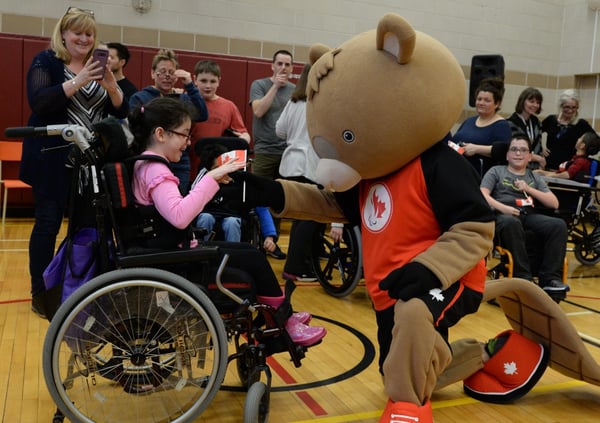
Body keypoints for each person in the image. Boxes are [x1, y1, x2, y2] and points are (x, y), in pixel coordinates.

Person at [128, 96, 326, 346]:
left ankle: (279, 319)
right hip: (174, 257)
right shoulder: (156, 170)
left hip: (171, 250)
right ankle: (283, 324)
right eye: (184, 134)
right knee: (253, 259)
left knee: (249, 251)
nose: (188, 142)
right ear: (161, 134)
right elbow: (179, 217)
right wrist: (212, 178)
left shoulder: (146, 164)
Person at [20, 7, 128, 319]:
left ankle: (73, 287)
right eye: (77, 32)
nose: (83, 38)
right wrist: (79, 80)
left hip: (88, 163)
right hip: (51, 161)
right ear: (64, 34)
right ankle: (40, 293)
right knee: (48, 225)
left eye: (89, 33)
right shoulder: (47, 62)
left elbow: (122, 112)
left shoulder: (99, 66)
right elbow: (40, 102)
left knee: (84, 229)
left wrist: (111, 86)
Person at [480, 135, 570, 294]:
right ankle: (523, 277)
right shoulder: (496, 171)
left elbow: (554, 203)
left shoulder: (533, 176)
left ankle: (550, 279)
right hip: (503, 215)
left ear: (529, 156)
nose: (518, 154)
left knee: (558, 225)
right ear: (507, 155)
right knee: (511, 222)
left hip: (527, 214)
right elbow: (482, 195)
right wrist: (503, 208)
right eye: (514, 149)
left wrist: (528, 189)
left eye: (523, 150)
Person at [129, 48, 208, 195]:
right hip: (150, 159)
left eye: (171, 72)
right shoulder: (140, 98)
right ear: (152, 73)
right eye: (162, 72)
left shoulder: (182, 98)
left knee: (178, 204)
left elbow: (202, 114)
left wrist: (190, 86)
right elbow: (136, 129)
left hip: (179, 162)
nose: (167, 76)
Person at [275, 63, 323, 281]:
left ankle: (301, 263)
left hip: (290, 164)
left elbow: (279, 130)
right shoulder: (319, 102)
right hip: (308, 165)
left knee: (299, 218)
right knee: (311, 217)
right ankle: (295, 267)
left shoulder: (294, 102)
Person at [193, 142, 281, 256]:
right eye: (216, 169)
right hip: (208, 214)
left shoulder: (241, 180)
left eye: (222, 168)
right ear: (208, 170)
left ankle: (234, 258)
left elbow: (261, 207)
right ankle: (201, 255)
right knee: (206, 218)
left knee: (231, 223)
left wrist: (269, 237)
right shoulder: (203, 180)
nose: (221, 173)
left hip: (233, 217)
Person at [248, 49, 296, 260]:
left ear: (292, 68)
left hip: (287, 152)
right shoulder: (260, 85)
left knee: (281, 200)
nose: (283, 68)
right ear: (272, 65)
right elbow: (258, 111)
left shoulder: (296, 90)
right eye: (280, 63)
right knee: (258, 197)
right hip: (265, 150)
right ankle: (256, 240)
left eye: (287, 64)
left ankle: (273, 242)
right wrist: (276, 85)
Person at [189, 59, 250, 179]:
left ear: (219, 81)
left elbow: (244, 134)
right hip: (188, 166)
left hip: (216, 170)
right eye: (203, 81)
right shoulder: (187, 101)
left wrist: (245, 138)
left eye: (212, 81)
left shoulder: (229, 106)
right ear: (195, 80)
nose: (208, 86)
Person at [453, 78, 512, 176]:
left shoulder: (502, 125)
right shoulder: (469, 121)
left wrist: (476, 148)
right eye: (479, 99)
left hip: (481, 177)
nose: (481, 103)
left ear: (496, 104)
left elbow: (504, 151)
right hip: (459, 172)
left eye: (487, 100)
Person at [542, 89, 594, 170]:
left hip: (568, 169)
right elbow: (534, 134)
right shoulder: (551, 120)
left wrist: (583, 154)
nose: (570, 110)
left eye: (574, 107)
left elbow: (595, 141)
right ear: (561, 106)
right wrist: (539, 148)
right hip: (547, 166)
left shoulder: (581, 124)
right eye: (567, 107)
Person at [535, 131, 600, 182]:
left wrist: (550, 175)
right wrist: (541, 172)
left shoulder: (581, 161)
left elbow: (567, 175)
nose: (578, 139)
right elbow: (560, 173)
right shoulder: (576, 159)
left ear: (582, 145)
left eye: (580, 138)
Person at [507, 87, 546, 169]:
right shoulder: (510, 122)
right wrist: (538, 158)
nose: (535, 105)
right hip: (515, 167)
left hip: (533, 169)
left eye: (538, 102)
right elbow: (515, 149)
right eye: (531, 101)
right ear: (522, 101)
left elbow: (538, 146)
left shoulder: (537, 123)